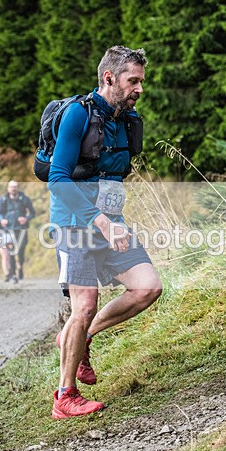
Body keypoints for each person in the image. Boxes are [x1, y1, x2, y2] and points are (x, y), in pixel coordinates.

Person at [47, 46, 162, 418]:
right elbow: (58, 179)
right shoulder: (79, 115)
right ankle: (65, 396)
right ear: (109, 78)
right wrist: (99, 220)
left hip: (112, 224)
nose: (139, 89)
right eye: (133, 81)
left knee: (147, 287)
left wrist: (111, 220)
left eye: (141, 81)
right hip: (74, 224)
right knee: (84, 305)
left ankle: (77, 337)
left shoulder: (126, 120)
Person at [0, 181, 35, 283]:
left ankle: (20, 266)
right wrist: (1, 220)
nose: (13, 189)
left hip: (21, 229)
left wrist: (26, 218)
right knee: (11, 252)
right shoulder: (3, 200)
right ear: (8, 188)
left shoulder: (24, 199)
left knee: (21, 252)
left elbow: (32, 213)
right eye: (11, 187)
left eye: (15, 187)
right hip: (8, 229)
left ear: (18, 188)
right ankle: (13, 275)